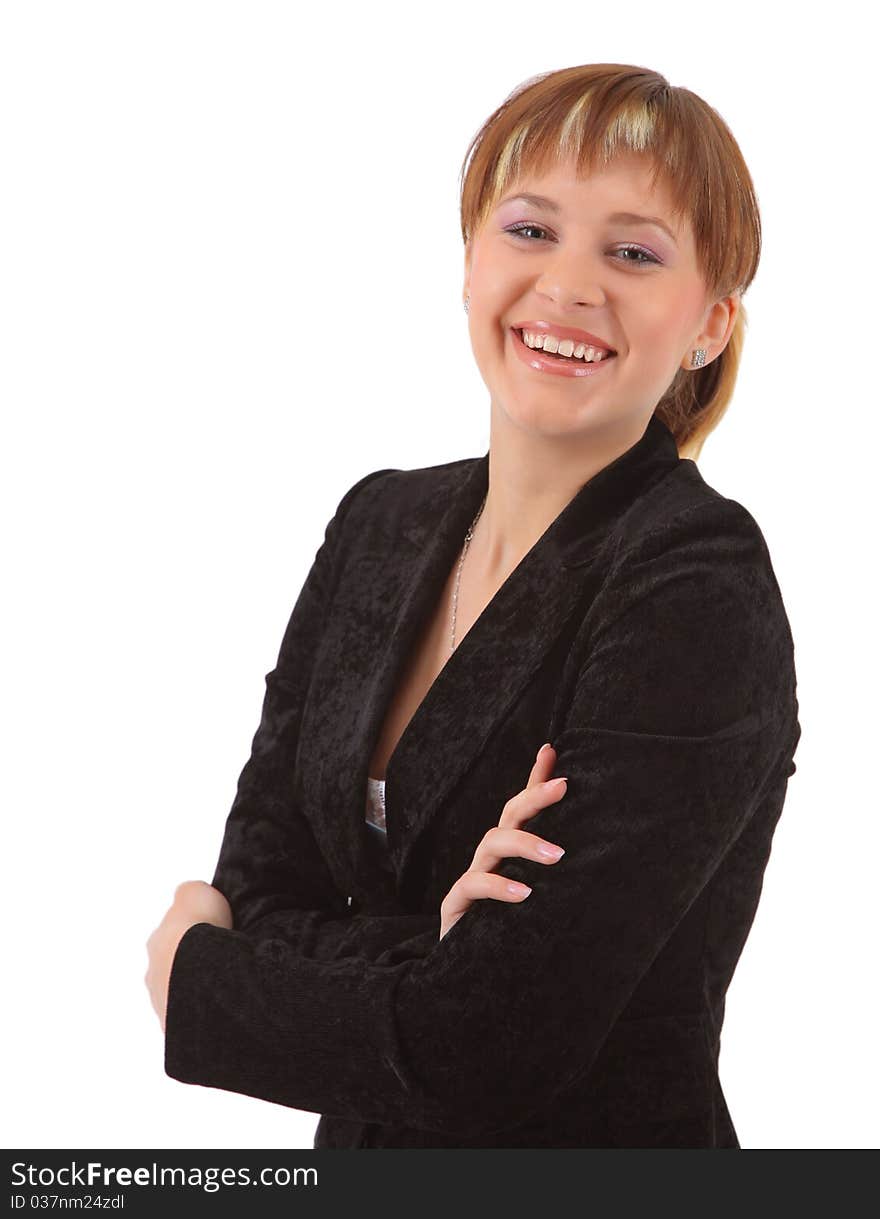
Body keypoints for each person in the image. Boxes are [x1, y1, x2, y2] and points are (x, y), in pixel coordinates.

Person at [145, 62, 802, 1148]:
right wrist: (432, 944)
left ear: (710, 323)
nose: (568, 287)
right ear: (468, 263)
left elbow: (497, 1039)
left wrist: (199, 983)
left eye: (633, 253)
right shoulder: (379, 524)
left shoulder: (695, 585)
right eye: (530, 229)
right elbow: (258, 890)